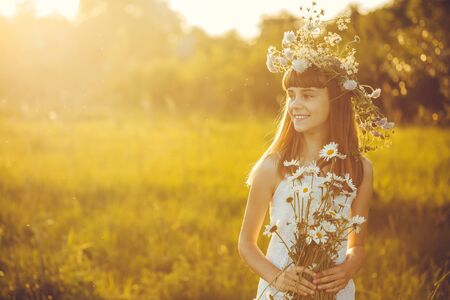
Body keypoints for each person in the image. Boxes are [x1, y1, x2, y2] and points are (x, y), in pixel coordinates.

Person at [237, 3, 394, 300]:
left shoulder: (359, 169)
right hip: (280, 293)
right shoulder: (273, 167)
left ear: (335, 103)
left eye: (308, 96)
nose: (295, 104)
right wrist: (279, 278)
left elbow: (357, 246)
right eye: (291, 95)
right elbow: (246, 243)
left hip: (334, 293)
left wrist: (347, 269)